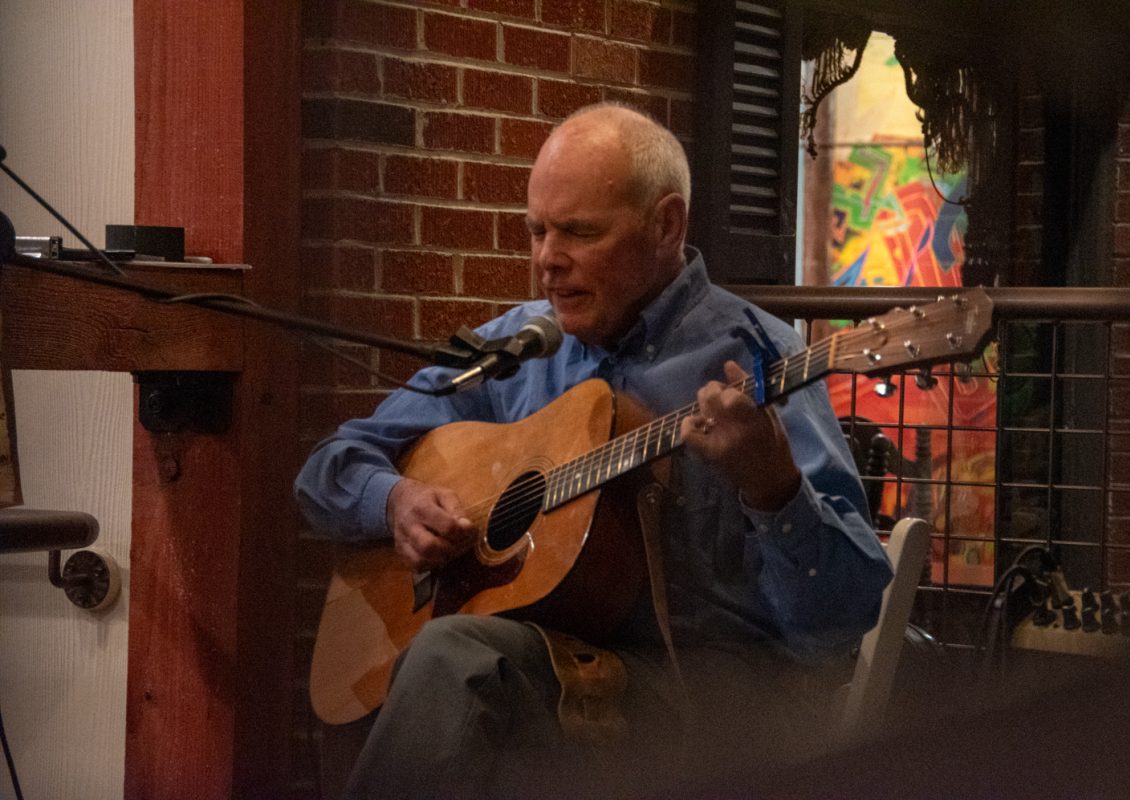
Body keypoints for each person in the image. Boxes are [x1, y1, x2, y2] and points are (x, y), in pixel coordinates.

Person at [295, 103, 893, 799]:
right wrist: (395, 499)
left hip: (709, 698)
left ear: (666, 225)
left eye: (579, 233)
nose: (548, 260)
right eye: (537, 231)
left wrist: (774, 487)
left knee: (452, 661)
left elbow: (848, 624)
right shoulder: (516, 350)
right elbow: (327, 469)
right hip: (552, 670)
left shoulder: (759, 361)